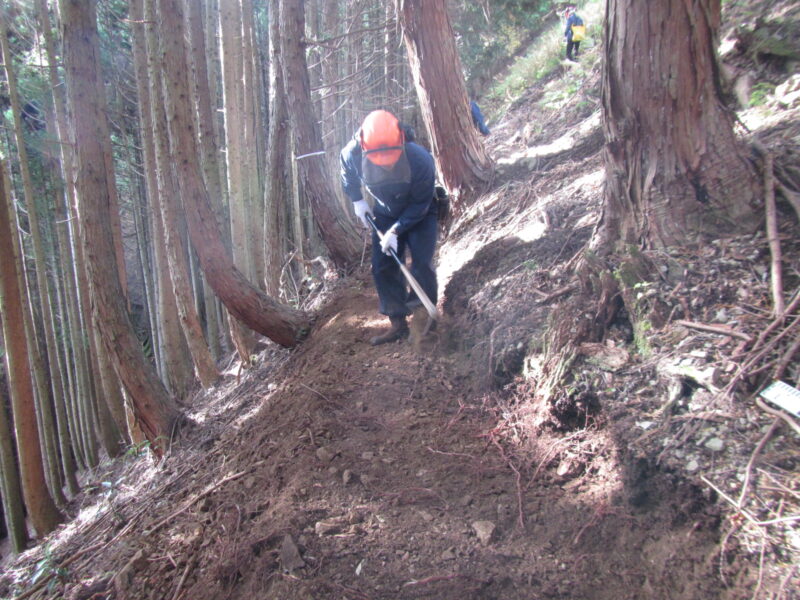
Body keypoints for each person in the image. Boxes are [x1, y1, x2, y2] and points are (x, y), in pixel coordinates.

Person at [340, 109, 438, 345]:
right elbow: (347, 175)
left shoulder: (420, 158)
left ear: (401, 141)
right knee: (382, 265)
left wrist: (397, 230)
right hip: (384, 212)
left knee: (421, 262)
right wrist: (357, 200)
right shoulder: (352, 153)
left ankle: (423, 317)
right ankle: (397, 321)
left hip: (420, 213)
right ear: (364, 145)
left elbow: (421, 203)